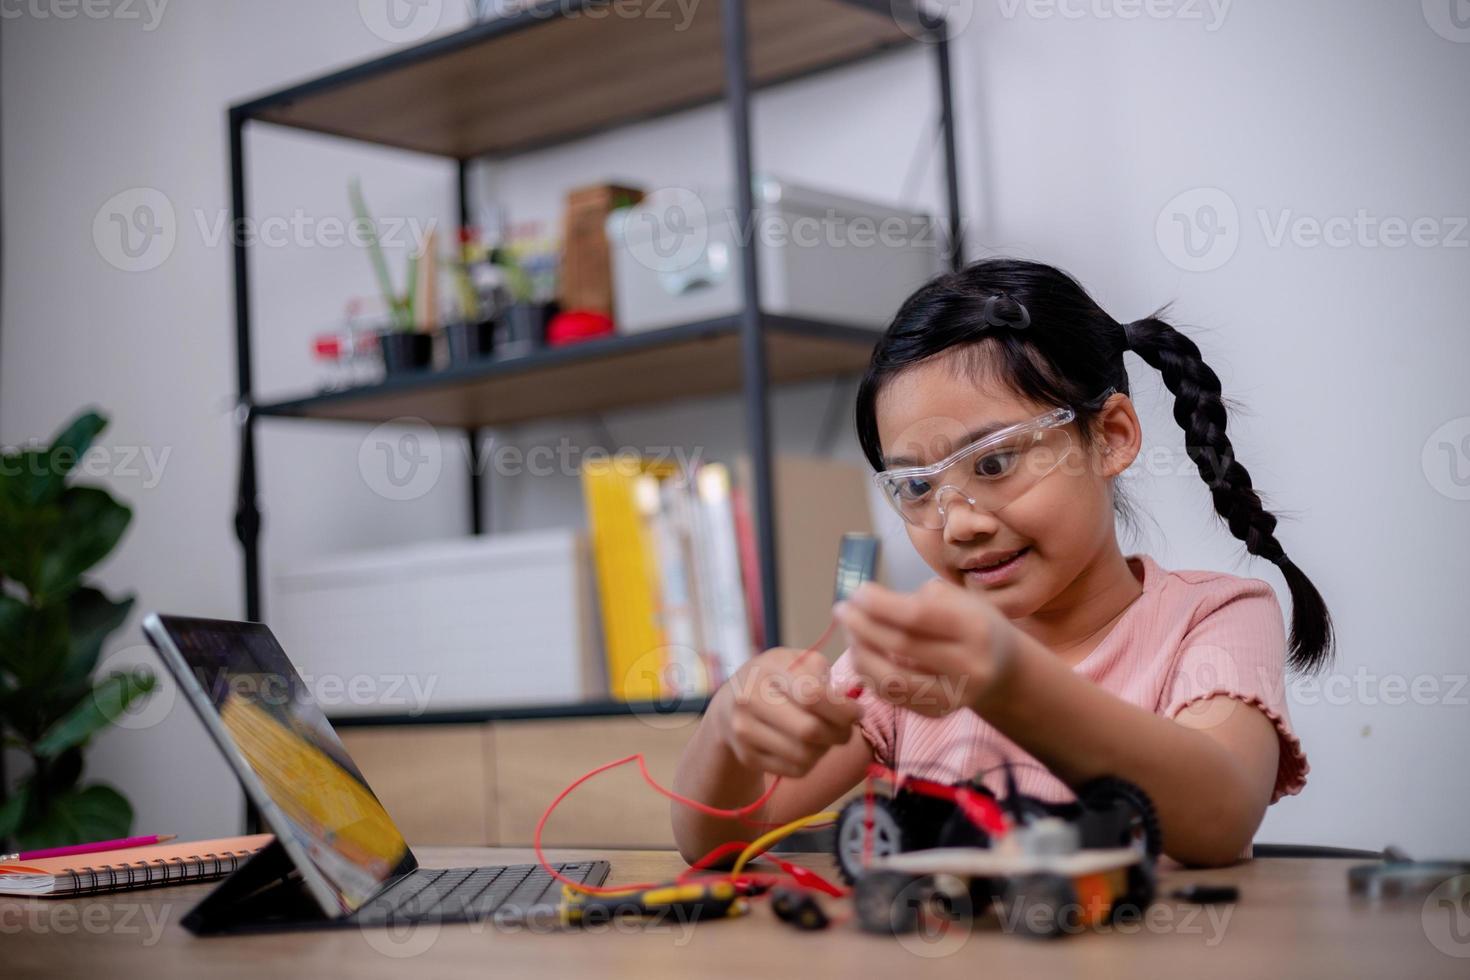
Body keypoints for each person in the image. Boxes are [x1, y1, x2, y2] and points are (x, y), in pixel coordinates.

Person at [671, 258, 1333, 868]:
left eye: (994, 462)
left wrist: (1007, 682)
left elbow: (1218, 820)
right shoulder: (911, 654)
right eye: (918, 487)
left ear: (1111, 437)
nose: (960, 523)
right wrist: (730, 727)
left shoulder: (1215, 617)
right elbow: (719, 842)